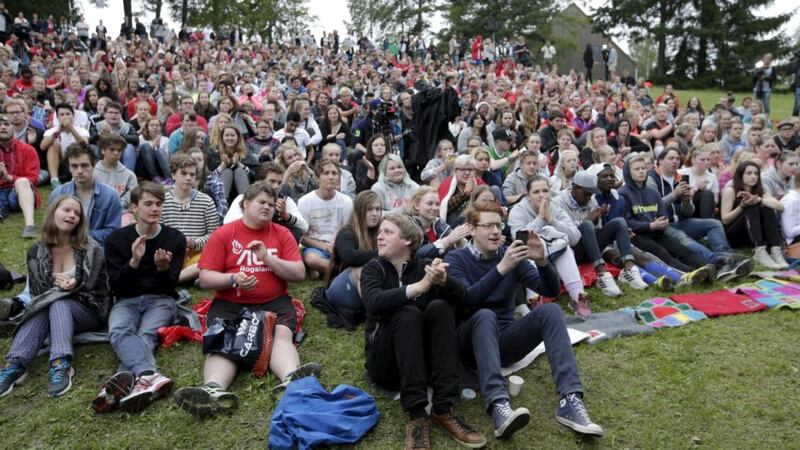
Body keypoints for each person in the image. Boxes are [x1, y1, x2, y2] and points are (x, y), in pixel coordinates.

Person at [445, 201, 604, 439]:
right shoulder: (456, 258)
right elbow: (467, 299)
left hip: (505, 343)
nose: (496, 232)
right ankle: (499, 405)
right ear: (471, 229)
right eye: (488, 226)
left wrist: (542, 262)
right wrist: (501, 268)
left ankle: (570, 401)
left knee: (550, 312)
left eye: (498, 225)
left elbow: (549, 291)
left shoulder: (511, 254)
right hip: (469, 344)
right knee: (485, 315)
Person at [174, 181, 320, 418]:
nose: (267, 207)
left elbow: (299, 274)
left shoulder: (281, 233)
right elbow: (206, 278)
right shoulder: (224, 233)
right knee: (224, 342)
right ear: (245, 204)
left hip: (275, 302)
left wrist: (267, 258)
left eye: (271, 204)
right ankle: (212, 390)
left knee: (281, 334)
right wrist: (234, 279)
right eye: (261, 202)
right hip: (231, 303)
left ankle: (291, 382)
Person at [360, 213, 487, 449]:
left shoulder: (423, 267)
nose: (380, 237)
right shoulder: (373, 268)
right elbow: (373, 302)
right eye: (380, 232)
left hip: (422, 365)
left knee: (440, 307)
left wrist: (443, 280)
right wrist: (418, 288)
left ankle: (444, 408)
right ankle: (417, 416)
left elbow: (464, 300)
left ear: (407, 240)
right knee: (408, 313)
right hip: (385, 365)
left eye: (388, 232)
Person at [0, 196, 108, 398]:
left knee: (59, 302)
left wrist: (76, 285)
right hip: (50, 314)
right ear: (53, 213)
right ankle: (15, 365)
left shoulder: (90, 248)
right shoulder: (36, 251)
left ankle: (61, 364)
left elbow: (101, 291)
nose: (72, 216)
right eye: (66, 210)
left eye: (77, 213)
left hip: (88, 311)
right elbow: (37, 295)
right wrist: (58, 290)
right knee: (49, 303)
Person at [93, 182, 186, 413]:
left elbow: (170, 286)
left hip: (161, 299)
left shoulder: (175, 239)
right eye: (148, 204)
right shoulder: (116, 240)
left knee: (146, 334)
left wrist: (163, 269)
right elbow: (116, 285)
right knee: (119, 331)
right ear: (134, 208)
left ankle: (115, 386)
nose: (155, 209)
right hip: (126, 300)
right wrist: (134, 262)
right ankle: (147, 376)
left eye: (159, 204)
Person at [507, 176, 595, 316]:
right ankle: (535, 300)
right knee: (529, 251)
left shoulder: (555, 207)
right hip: (530, 259)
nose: (542, 195)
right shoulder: (518, 210)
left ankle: (577, 298)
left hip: (553, 257)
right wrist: (540, 219)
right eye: (536, 192)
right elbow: (520, 240)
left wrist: (553, 221)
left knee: (565, 248)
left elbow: (575, 238)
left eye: (545, 191)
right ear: (528, 195)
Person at [552, 170, 649, 296]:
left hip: (591, 250)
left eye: (591, 194)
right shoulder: (557, 202)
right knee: (586, 225)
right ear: (575, 187)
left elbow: (596, 231)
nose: (589, 198)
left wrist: (600, 221)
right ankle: (602, 275)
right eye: (586, 194)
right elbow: (562, 235)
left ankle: (629, 270)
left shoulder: (592, 200)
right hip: (570, 252)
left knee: (619, 223)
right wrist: (587, 220)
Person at [616, 154, 714, 278]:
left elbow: (662, 213)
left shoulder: (652, 192)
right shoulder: (622, 194)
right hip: (637, 237)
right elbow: (626, 222)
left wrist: (664, 222)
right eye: (636, 169)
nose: (641, 171)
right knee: (662, 254)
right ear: (628, 172)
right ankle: (688, 275)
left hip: (658, 232)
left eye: (643, 168)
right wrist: (650, 225)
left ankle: (708, 268)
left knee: (682, 249)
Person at [161, 154, 220, 283]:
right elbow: (158, 232)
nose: (188, 178)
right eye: (184, 173)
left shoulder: (206, 201)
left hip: (196, 254)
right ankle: (190, 278)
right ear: (173, 175)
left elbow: (214, 235)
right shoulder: (162, 202)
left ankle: (176, 279)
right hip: (171, 253)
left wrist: (194, 243)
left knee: (209, 260)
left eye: (192, 175)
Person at [720, 161, 788, 269]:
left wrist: (759, 199)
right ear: (740, 175)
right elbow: (725, 219)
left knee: (767, 207)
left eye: (756, 173)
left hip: (754, 233)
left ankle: (776, 250)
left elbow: (780, 206)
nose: (753, 176)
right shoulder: (731, 190)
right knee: (751, 207)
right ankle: (759, 251)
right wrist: (742, 206)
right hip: (735, 234)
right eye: (749, 173)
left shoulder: (761, 191)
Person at [325, 191, 381, 311]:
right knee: (361, 269)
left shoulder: (382, 231)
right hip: (341, 289)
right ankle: (374, 317)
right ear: (359, 211)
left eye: (378, 209)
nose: (375, 214)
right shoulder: (346, 232)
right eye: (369, 210)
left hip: (367, 289)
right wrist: (383, 253)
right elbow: (350, 257)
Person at [298, 158, 354, 277]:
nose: (331, 177)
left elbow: (347, 231)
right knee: (312, 259)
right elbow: (302, 237)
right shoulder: (305, 201)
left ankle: (325, 271)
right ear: (318, 177)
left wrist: (336, 245)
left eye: (334, 173)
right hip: (316, 248)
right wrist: (325, 246)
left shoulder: (346, 201)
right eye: (326, 173)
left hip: (340, 245)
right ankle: (341, 271)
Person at [0, 113, 40, 237]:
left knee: (22, 181)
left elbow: (33, 179)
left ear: (14, 128)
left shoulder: (28, 150)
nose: (2, 127)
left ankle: (29, 226)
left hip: (18, 193)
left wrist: (9, 178)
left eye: (6, 124)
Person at [406, 186, 470, 259]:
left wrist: (459, 240)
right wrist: (448, 240)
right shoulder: (409, 226)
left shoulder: (439, 223)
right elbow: (418, 255)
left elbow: (465, 251)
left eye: (437, 204)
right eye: (430, 204)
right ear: (417, 205)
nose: (435, 208)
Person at [41, 103, 90, 187]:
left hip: (76, 162)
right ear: (58, 117)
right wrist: (58, 132)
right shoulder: (52, 131)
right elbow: (43, 146)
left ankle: (75, 179)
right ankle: (54, 181)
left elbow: (85, 146)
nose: (65, 117)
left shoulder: (82, 130)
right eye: (62, 114)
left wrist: (71, 129)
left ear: (73, 116)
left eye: (68, 114)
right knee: (53, 145)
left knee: (77, 146)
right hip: (58, 164)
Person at [93, 134, 138, 215]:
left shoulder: (130, 175)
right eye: (112, 149)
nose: (116, 152)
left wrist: (117, 205)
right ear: (103, 150)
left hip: (122, 213)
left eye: (119, 150)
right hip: (96, 213)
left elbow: (132, 195)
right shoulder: (91, 173)